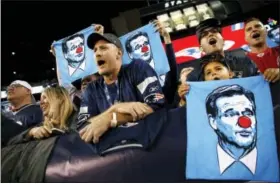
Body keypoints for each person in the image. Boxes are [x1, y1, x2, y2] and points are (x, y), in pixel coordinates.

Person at [78, 31, 165, 143]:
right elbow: (83, 128)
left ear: (118, 53)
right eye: (95, 50)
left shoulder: (137, 68)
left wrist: (111, 119)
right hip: (112, 155)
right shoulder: (91, 89)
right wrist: (114, 110)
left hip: (146, 146)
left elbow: (155, 104)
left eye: (103, 48)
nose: (97, 53)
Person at [1, 86, 77, 183]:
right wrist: (31, 133)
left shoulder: (78, 119)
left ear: (60, 99)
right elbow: (11, 142)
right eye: (40, 100)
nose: (40, 103)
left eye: (45, 98)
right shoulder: (39, 127)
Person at [183, 18, 259, 81]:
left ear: (223, 40)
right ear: (200, 48)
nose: (210, 34)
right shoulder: (194, 77)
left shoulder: (244, 60)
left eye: (214, 31)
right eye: (204, 34)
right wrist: (183, 98)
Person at [205, 84, 257, 174]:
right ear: (213, 122)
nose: (244, 122)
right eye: (231, 114)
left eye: (248, 113)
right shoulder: (202, 164)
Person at [244, 17, 280, 83]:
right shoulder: (242, 62)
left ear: (266, 31)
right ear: (245, 38)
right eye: (249, 29)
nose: (254, 29)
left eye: (258, 26)